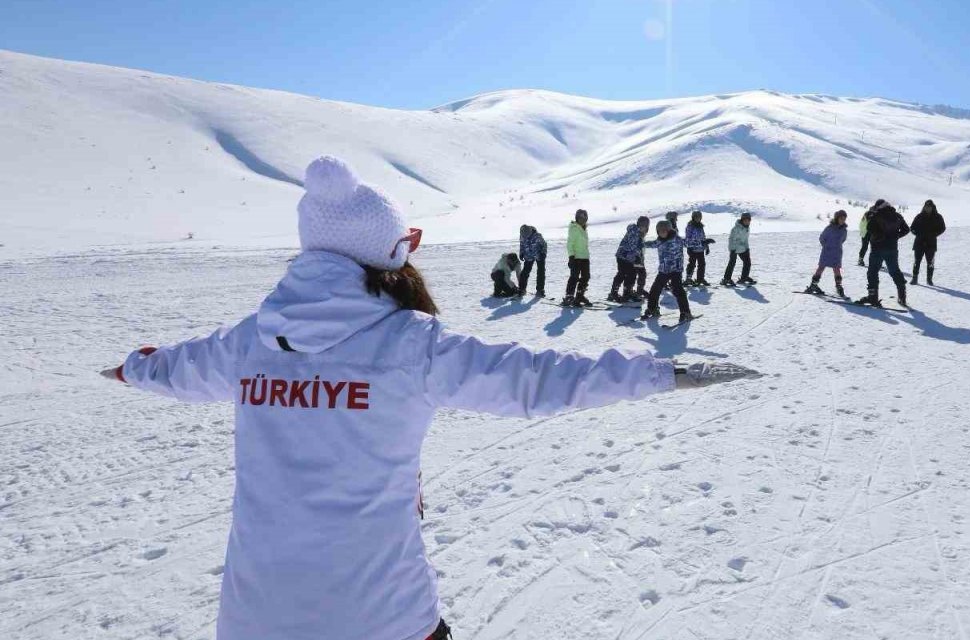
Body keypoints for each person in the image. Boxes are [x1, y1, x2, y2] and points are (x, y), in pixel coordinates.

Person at [96, 156, 759, 640]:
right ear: (387, 252)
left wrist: (130, 369)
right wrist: (660, 374)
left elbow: (173, 370)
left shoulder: (250, 343)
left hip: (251, 621)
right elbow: (540, 380)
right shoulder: (413, 344)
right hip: (381, 620)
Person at [855, 200, 911, 306]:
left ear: (878, 207)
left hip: (877, 248)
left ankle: (873, 297)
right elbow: (906, 229)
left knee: (872, 272)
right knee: (895, 271)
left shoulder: (877, 215)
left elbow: (869, 228)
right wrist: (895, 237)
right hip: (892, 249)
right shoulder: (897, 215)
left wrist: (880, 236)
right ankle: (902, 297)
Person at [640, 220, 694, 322]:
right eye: (660, 231)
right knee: (654, 290)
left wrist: (703, 242)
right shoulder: (659, 241)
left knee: (678, 290)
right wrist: (641, 244)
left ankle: (685, 312)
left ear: (669, 230)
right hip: (663, 271)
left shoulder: (676, 239)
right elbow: (651, 244)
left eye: (664, 231)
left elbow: (689, 242)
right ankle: (652, 309)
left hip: (675, 271)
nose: (662, 233)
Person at [805, 210, 848, 297]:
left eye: (844, 219)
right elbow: (822, 238)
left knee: (837, 269)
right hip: (827, 252)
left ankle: (839, 287)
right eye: (841, 218)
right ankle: (813, 285)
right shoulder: (829, 228)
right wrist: (826, 246)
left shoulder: (844, 230)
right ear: (837, 218)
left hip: (837, 253)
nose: (843, 220)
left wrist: (836, 246)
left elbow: (843, 240)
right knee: (821, 268)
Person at [609, 216, 649, 303]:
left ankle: (632, 291)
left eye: (645, 225)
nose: (643, 227)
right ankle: (614, 292)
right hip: (623, 257)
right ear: (638, 224)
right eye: (641, 225)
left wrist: (640, 259)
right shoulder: (634, 232)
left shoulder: (641, 235)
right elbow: (632, 246)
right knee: (623, 273)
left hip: (632, 259)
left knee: (638, 273)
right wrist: (637, 257)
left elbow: (640, 250)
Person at [909, 199, 946, 285]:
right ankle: (915, 278)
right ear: (924, 207)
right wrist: (918, 234)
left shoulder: (938, 217)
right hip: (919, 243)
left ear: (933, 207)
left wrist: (934, 234)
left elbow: (943, 228)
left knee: (930, 262)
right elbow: (912, 228)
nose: (928, 208)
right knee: (917, 261)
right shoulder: (919, 216)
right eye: (926, 207)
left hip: (931, 243)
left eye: (929, 207)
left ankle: (929, 279)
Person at [562, 208, 592, 307]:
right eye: (580, 218)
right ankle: (569, 296)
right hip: (576, 258)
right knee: (574, 277)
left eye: (584, 218)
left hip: (585, 257)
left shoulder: (584, 228)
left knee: (586, 277)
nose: (582, 220)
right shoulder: (574, 228)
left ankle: (579, 296)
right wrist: (571, 257)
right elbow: (570, 244)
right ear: (577, 218)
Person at [720, 213, 755, 286]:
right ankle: (726, 279)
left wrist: (747, 248)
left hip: (743, 248)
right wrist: (732, 250)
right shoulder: (736, 228)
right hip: (734, 248)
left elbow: (745, 239)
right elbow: (731, 239)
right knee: (732, 263)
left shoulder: (747, 228)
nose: (747, 222)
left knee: (747, 262)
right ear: (742, 220)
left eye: (748, 220)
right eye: (745, 220)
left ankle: (744, 277)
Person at [683, 210, 714, 286]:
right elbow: (688, 239)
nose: (698, 218)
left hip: (700, 249)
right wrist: (691, 246)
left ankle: (700, 279)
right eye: (696, 217)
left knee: (702, 264)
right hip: (692, 249)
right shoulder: (690, 227)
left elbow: (703, 238)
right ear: (693, 218)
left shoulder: (700, 226)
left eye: (699, 217)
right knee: (692, 264)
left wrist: (706, 246)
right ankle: (688, 279)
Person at [517, 225, 547, 297]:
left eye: (526, 235)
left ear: (530, 232)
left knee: (541, 272)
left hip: (539, 255)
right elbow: (521, 245)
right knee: (525, 272)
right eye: (523, 235)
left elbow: (544, 245)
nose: (525, 236)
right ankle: (522, 289)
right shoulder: (522, 236)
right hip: (528, 255)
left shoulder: (537, 236)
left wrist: (543, 253)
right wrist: (521, 253)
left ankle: (540, 290)